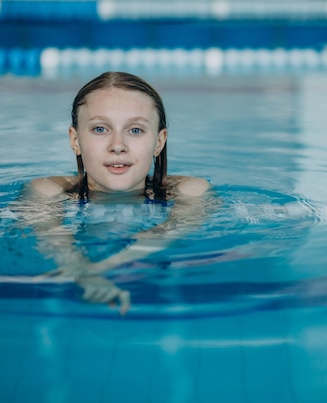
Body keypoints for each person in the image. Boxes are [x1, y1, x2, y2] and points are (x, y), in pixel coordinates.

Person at [24, 71, 210, 314]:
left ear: (159, 142)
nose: (118, 146)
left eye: (135, 130)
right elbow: (52, 235)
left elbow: (169, 231)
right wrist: (80, 269)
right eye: (100, 129)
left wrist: (93, 269)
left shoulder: (190, 191)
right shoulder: (48, 190)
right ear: (75, 139)